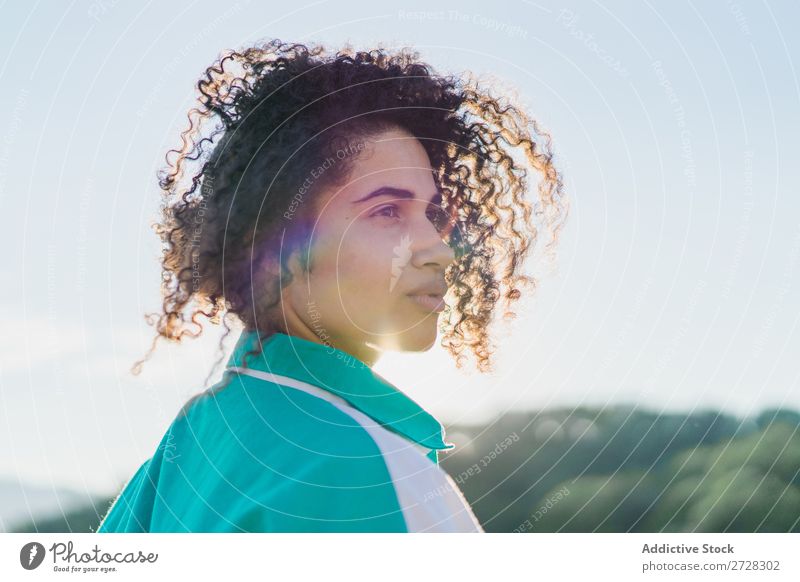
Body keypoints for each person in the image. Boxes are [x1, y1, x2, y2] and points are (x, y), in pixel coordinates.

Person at [96, 39, 567, 533]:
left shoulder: (189, 446)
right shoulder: (367, 474)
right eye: (387, 211)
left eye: (433, 214)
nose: (441, 249)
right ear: (276, 241)